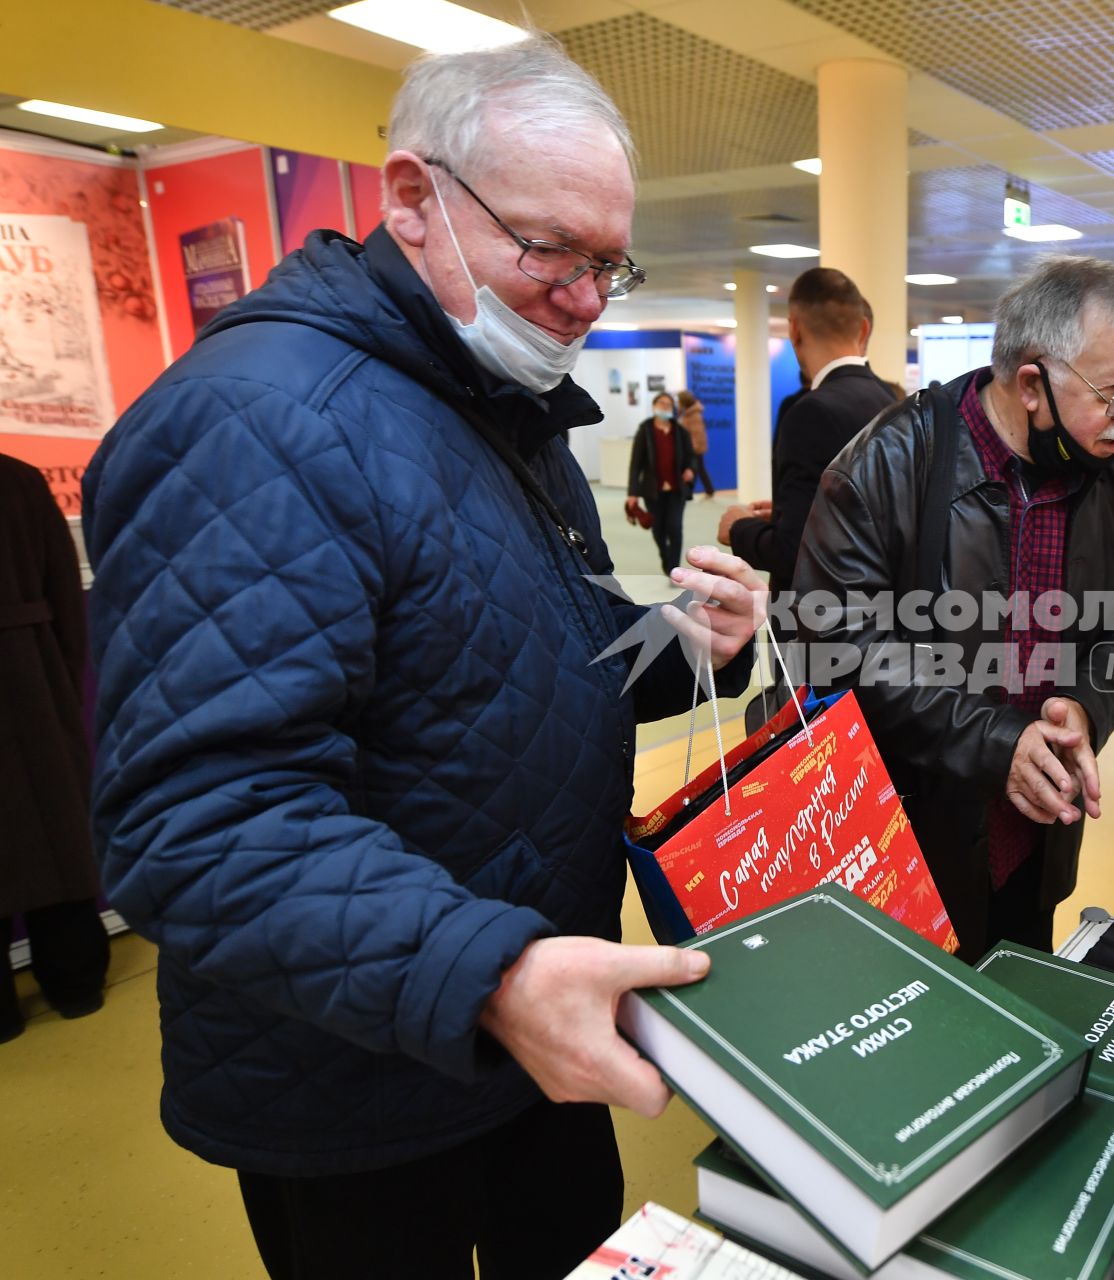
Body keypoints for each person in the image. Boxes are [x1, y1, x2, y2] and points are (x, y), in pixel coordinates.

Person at [82, 36, 766, 1280]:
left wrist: (685, 643)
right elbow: (198, 819)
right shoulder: (264, 423)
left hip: (535, 1026)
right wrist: (490, 973)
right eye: (551, 249)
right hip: (362, 1079)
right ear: (412, 199)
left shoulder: (498, 405)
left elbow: (530, 655)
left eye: (609, 261)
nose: (588, 297)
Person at [791, 255, 1114, 960]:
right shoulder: (888, 464)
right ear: (1032, 384)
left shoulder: (1105, 469)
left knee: (1022, 1020)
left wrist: (1085, 706)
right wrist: (1000, 742)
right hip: (911, 848)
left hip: (1035, 841)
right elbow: (842, 648)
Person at [0, 454, 110, 1043]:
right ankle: (76, 987)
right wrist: (61, 677)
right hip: (30, 680)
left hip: (33, 665)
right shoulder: (17, 478)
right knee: (60, 843)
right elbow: (64, 587)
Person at [719, 267, 896, 599]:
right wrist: (791, 511)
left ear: (794, 329)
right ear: (863, 328)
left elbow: (795, 552)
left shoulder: (809, 412)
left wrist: (739, 528)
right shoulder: (892, 400)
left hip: (817, 623)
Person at [626, 390, 697, 573]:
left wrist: (690, 469)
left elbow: (691, 457)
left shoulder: (680, 432)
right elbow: (636, 464)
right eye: (662, 404)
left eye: (669, 405)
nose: (665, 407)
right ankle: (665, 557)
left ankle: (674, 568)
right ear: (654, 407)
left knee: (674, 526)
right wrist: (632, 493)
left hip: (676, 489)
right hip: (653, 490)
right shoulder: (645, 431)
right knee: (658, 529)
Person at [678, 389, 717, 498]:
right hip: (693, 448)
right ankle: (707, 490)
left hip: (694, 448)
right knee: (698, 469)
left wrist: (691, 449)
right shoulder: (688, 414)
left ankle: (699, 491)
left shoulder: (693, 415)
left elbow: (697, 434)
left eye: (679, 401)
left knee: (695, 469)